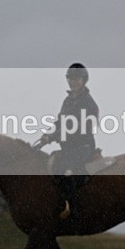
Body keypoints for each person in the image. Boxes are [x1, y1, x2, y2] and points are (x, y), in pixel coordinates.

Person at [38, 63, 99, 219]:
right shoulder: (67, 101)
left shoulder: (89, 104)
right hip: (68, 147)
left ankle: (75, 211)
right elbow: (60, 122)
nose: (73, 81)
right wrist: (48, 135)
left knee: (67, 170)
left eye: (76, 78)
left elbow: (79, 128)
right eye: (70, 78)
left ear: (83, 80)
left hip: (83, 146)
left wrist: (55, 136)